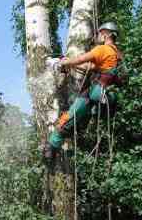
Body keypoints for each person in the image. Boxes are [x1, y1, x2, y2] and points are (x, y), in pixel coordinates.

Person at [43, 21, 124, 162]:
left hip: (95, 91)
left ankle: (51, 147)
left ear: (105, 34)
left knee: (69, 117)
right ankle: (55, 145)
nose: (97, 36)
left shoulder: (102, 50)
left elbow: (81, 59)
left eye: (99, 33)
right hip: (97, 91)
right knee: (74, 117)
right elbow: (89, 67)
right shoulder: (116, 53)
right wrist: (67, 61)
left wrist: (60, 63)